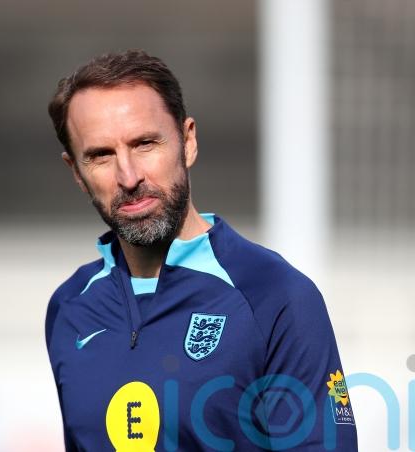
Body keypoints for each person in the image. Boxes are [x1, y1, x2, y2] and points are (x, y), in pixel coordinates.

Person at [45, 49, 357, 451]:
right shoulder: (70, 307)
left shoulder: (275, 296)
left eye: (145, 143)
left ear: (188, 141)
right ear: (76, 172)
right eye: (101, 155)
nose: (129, 176)